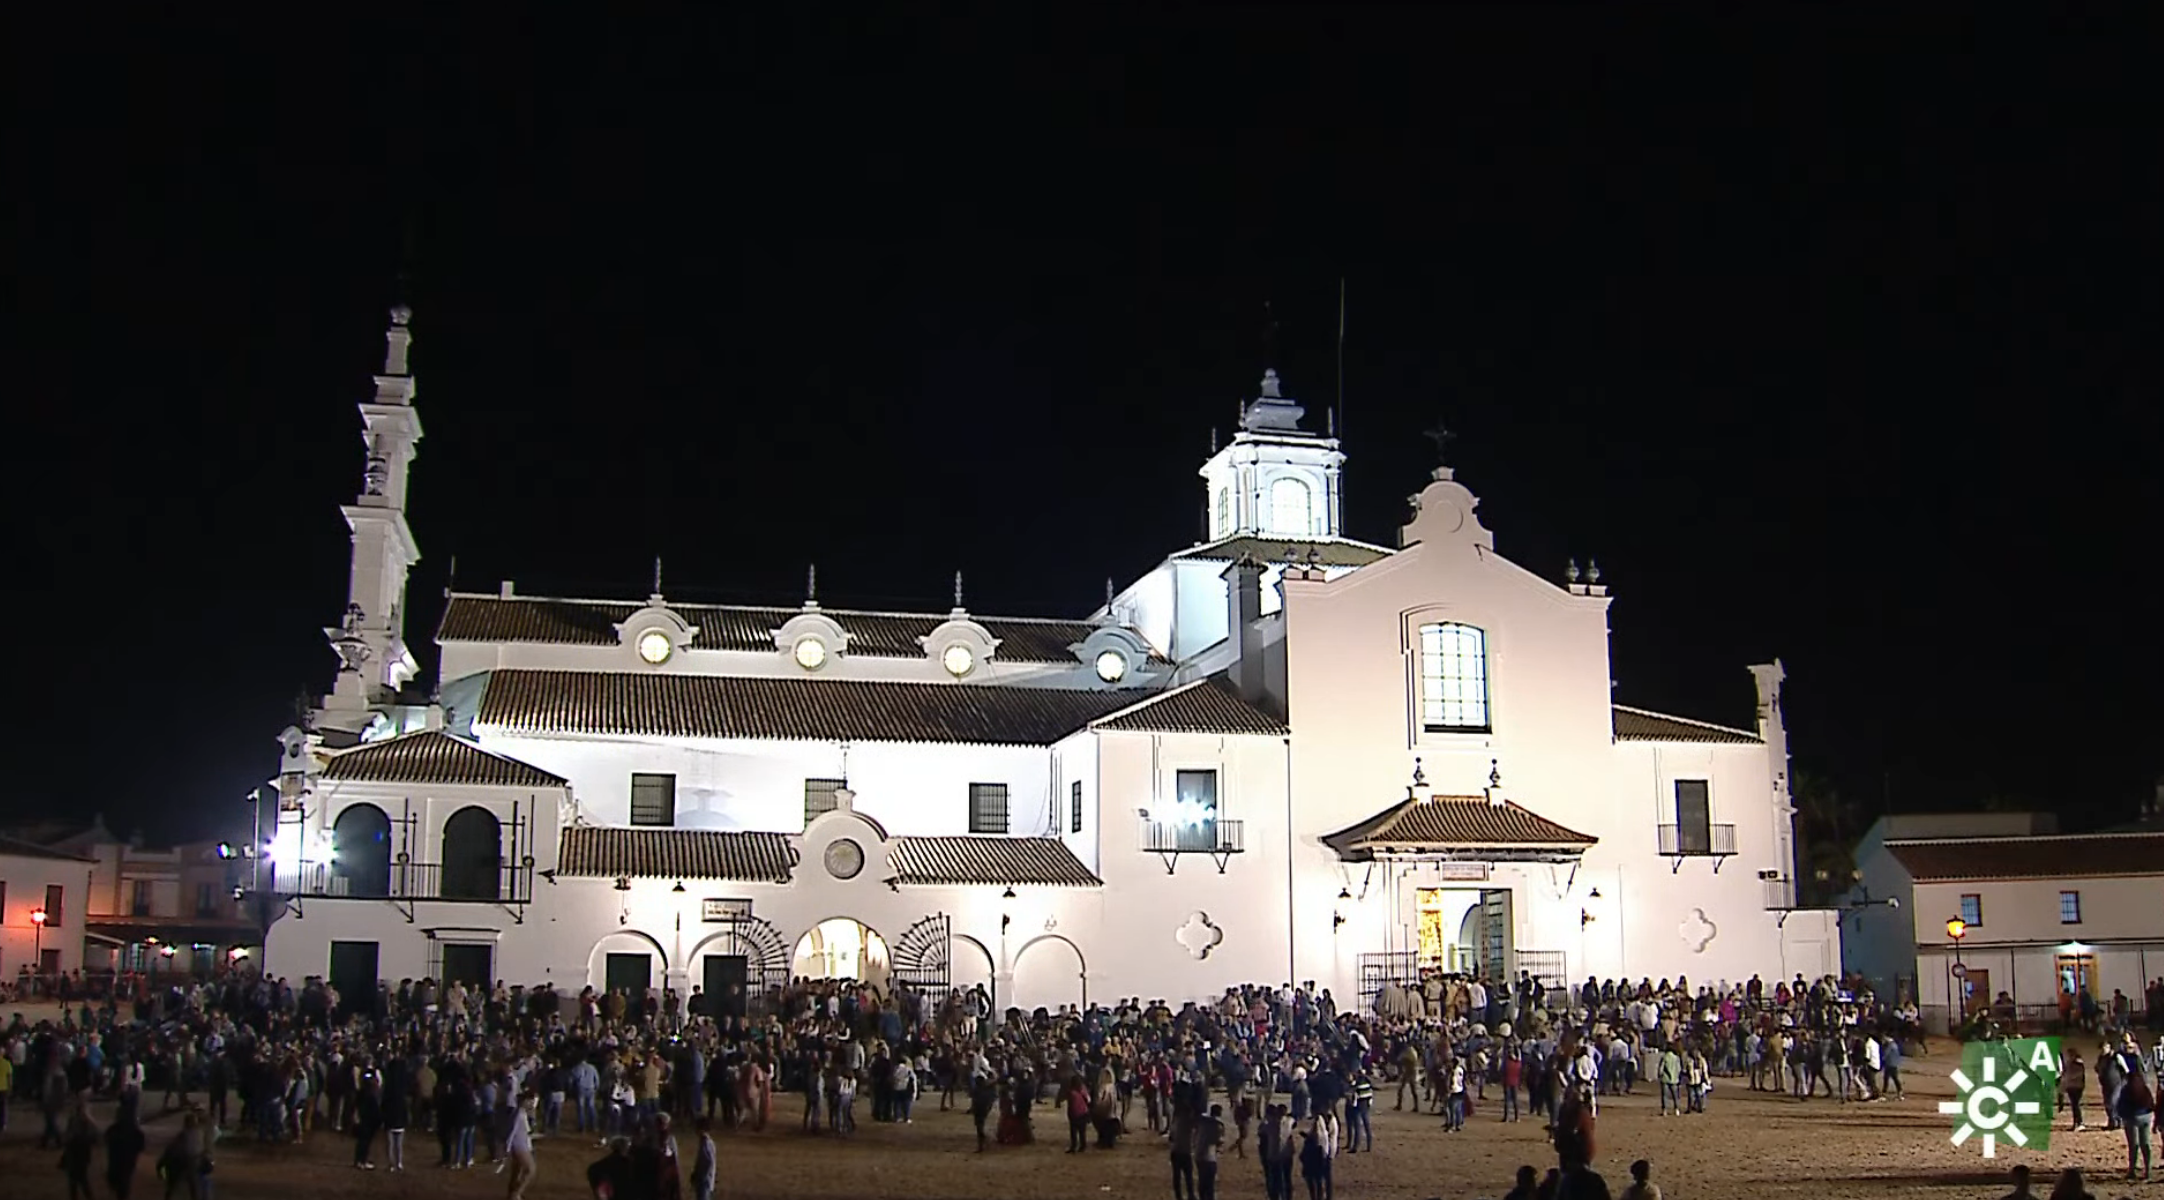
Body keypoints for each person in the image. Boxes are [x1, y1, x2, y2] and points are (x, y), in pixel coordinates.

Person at [108, 1107, 148, 1200]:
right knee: (124, 1186)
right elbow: (141, 1147)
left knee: (117, 1185)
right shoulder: (136, 1133)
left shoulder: (112, 1130)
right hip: (128, 1164)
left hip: (115, 1164)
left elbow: (108, 1142)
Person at [505, 1092, 538, 1200]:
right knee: (530, 1169)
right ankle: (516, 1194)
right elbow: (512, 1131)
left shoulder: (522, 1113)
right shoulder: (519, 1114)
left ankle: (512, 1193)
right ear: (525, 1101)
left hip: (522, 1144)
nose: (531, 1104)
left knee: (517, 1170)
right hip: (519, 1146)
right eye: (530, 1101)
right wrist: (507, 1147)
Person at [690, 1117, 717, 1200]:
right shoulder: (706, 1142)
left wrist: (701, 1176)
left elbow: (708, 1161)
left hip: (704, 1181)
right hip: (704, 1180)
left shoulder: (706, 1143)